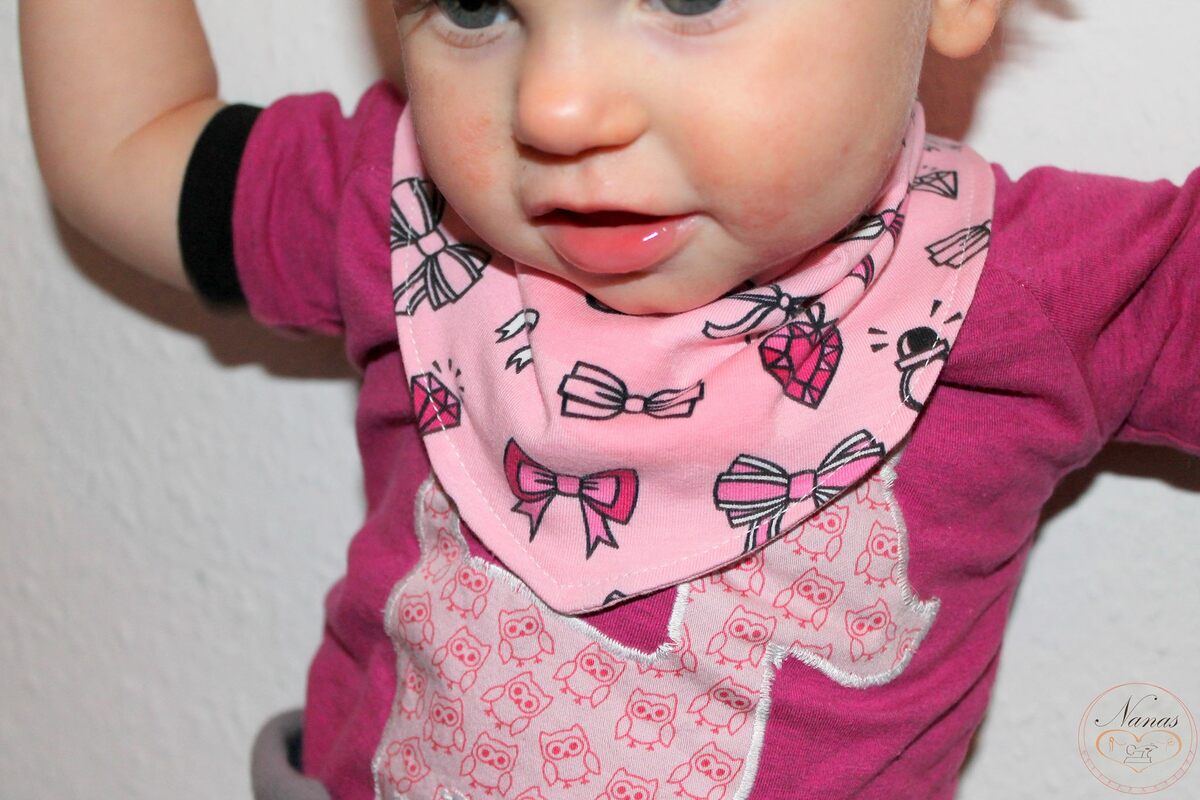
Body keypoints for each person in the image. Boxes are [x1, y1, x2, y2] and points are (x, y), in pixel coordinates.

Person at [18, 1, 1199, 798]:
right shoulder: (396, 210)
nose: (556, 107)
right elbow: (128, 150)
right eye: (474, 4)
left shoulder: (1045, 289)